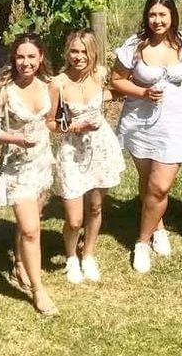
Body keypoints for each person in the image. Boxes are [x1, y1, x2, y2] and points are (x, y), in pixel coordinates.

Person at [110, 0, 182, 273]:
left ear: (172, 16)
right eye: (152, 15)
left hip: (174, 121)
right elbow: (116, 80)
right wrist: (143, 92)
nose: (157, 20)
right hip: (140, 122)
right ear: (146, 16)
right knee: (147, 180)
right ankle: (158, 227)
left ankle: (141, 242)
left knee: (160, 186)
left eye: (163, 14)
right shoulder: (135, 45)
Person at [0, 33, 59, 316]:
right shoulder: (2, 90)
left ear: (41, 58)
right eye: (20, 57)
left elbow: (51, 121)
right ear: (13, 59)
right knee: (30, 229)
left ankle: (19, 263)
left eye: (31, 57)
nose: (26, 62)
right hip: (16, 167)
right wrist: (14, 138)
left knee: (32, 221)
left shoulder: (49, 86)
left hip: (42, 162)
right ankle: (38, 290)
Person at [47, 29, 124, 284]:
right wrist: (76, 127)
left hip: (100, 147)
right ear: (66, 52)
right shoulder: (58, 83)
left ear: (93, 53)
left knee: (96, 206)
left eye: (84, 51)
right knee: (74, 218)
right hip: (72, 150)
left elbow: (114, 91)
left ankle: (89, 254)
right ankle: (71, 257)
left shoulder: (100, 74)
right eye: (74, 51)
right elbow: (50, 123)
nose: (78, 57)